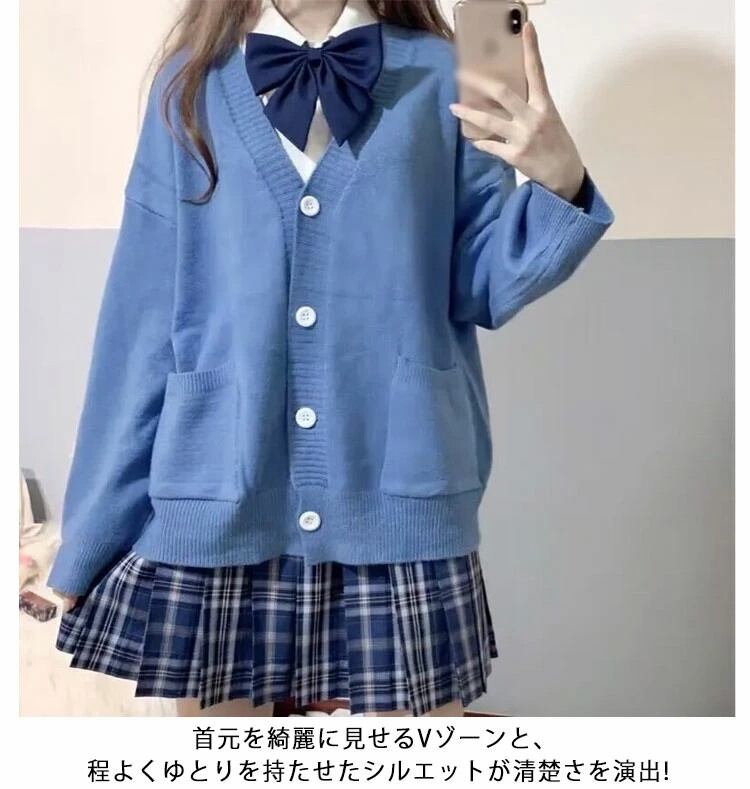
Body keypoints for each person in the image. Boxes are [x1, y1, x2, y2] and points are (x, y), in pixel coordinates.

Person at [47, 0, 614, 717]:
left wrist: (560, 182)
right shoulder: (189, 85)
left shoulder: (447, 73)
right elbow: (140, 327)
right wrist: (90, 535)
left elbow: (483, 283)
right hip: (220, 494)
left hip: (400, 501)